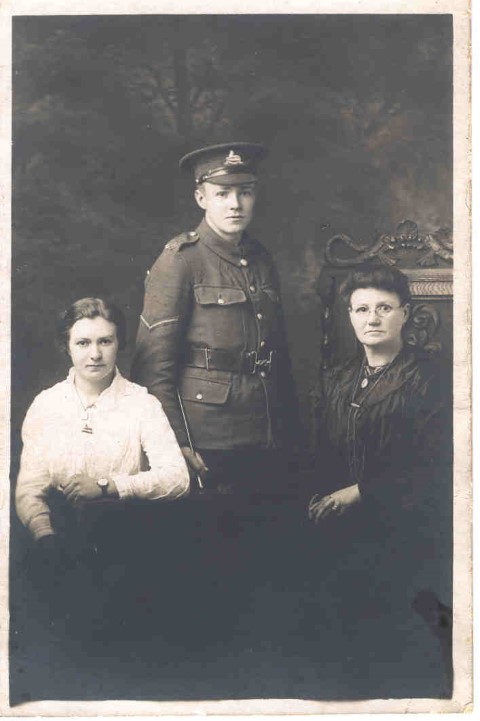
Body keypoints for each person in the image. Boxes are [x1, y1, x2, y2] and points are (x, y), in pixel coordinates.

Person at [307, 265, 452, 690]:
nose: (372, 319)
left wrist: (362, 491)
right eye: (362, 309)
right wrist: (318, 496)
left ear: (405, 314)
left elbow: (436, 464)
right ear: (350, 316)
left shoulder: (431, 377)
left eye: (384, 308)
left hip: (406, 527)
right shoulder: (338, 379)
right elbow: (320, 454)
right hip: (340, 526)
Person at [131, 142, 300, 496]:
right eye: (222, 193)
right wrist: (175, 442)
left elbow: (278, 352)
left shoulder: (261, 258)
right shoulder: (180, 260)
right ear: (201, 198)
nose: (235, 204)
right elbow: (152, 367)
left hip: (265, 432)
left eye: (245, 192)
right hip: (206, 438)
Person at [15, 297, 190, 624]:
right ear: (67, 347)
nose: (95, 354)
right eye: (83, 343)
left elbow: (177, 478)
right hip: (57, 547)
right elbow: (29, 488)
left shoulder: (142, 404)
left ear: (118, 344)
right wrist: (45, 537)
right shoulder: (46, 405)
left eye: (105, 341)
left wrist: (108, 486)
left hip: (128, 554)